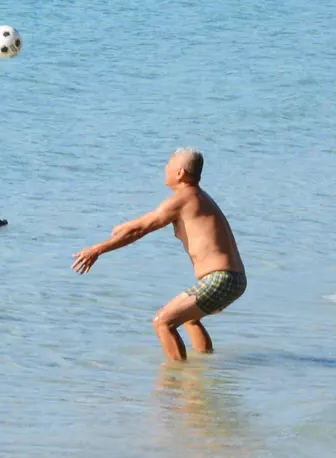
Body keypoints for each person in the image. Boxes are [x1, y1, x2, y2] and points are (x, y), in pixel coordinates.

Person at [72, 149, 246, 361]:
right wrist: (127, 225)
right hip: (234, 279)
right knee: (189, 319)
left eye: (168, 164)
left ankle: (175, 377)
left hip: (221, 279)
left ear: (180, 173)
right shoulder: (195, 197)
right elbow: (149, 219)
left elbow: (141, 230)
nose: (165, 168)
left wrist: (97, 249)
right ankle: (205, 370)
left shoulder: (182, 200)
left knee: (163, 322)